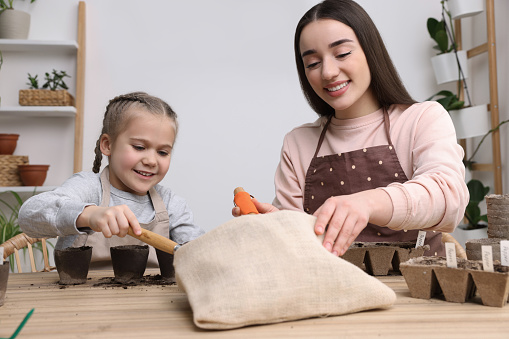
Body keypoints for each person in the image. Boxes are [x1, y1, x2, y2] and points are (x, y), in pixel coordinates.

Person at [233, 0, 468, 257]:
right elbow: (300, 254)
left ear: (370, 51)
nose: (328, 72)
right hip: (339, 292)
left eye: (342, 54)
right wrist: (281, 226)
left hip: (423, 292)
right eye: (312, 63)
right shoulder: (298, 143)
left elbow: (449, 199)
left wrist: (367, 202)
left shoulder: (421, 119)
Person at [19, 92, 204, 269]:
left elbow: (200, 253)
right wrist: (90, 215)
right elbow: (28, 215)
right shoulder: (89, 188)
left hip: (150, 301)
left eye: (163, 152)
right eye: (139, 147)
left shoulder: (170, 204)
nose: (151, 161)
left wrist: (230, 234)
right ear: (107, 145)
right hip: (79, 299)